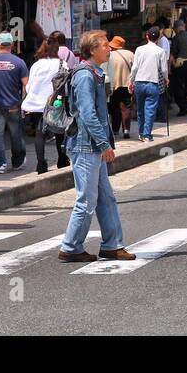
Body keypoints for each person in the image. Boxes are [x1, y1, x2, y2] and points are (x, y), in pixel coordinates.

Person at [58, 31, 135, 264]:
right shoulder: (85, 75)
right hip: (85, 146)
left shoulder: (95, 73)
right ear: (92, 50)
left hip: (91, 145)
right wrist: (104, 144)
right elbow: (87, 113)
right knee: (87, 200)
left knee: (106, 198)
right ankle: (70, 247)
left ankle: (112, 245)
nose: (108, 49)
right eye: (104, 45)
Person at [0, 32, 29, 173]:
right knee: (16, 133)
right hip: (13, 104)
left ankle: (1, 163)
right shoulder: (19, 62)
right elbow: (26, 84)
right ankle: (17, 161)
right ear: (12, 45)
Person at [22, 38, 70, 174]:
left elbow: (29, 85)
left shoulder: (37, 65)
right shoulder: (62, 63)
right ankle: (62, 158)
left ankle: (41, 163)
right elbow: (65, 84)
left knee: (39, 132)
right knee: (59, 129)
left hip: (37, 102)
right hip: (56, 101)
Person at [129, 26, 168, 143]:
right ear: (158, 38)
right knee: (150, 110)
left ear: (147, 36)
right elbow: (164, 69)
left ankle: (141, 133)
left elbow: (135, 67)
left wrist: (131, 80)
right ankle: (147, 134)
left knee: (140, 110)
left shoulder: (139, 49)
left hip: (139, 82)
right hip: (153, 82)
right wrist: (166, 79)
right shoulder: (160, 51)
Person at [107, 36, 135, 138]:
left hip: (113, 85)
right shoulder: (130, 54)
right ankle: (126, 130)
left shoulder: (109, 55)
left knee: (114, 108)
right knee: (126, 108)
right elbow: (135, 69)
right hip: (127, 85)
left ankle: (115, 129)